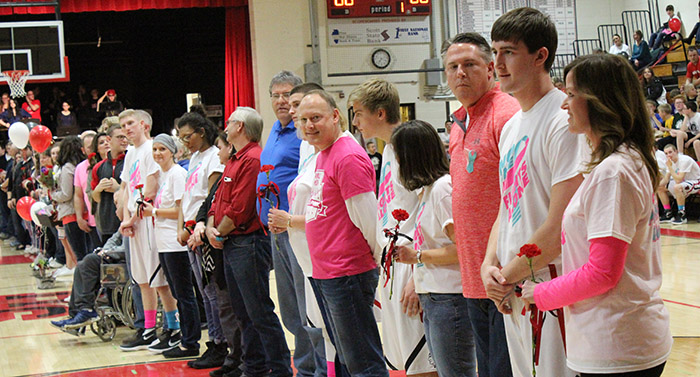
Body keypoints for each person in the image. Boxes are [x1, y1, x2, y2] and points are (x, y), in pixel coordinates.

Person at [520, 53, 672, 377]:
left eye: (572, 94)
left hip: (617, 347)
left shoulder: (613, 172)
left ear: (600, 101)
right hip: (618, 342)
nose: (564, 104)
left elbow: (603, 272)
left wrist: (541, 293)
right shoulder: (621, 162)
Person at [485, 7, 583, 377]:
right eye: (494, 52)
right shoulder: (511, 127)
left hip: (549, 284)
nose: (498, 63)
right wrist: (488, 266)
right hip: (514, 285)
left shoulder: (564, 121)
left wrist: (506, 276)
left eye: (508, 52)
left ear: (541, 56)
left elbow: (562, 226)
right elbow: (506, 206)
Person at [442, 31, 520, 377]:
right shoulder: (460, 121)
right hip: (474, 276)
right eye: (453, 66)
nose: (461, 72)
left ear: (491, 68)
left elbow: (518, 197)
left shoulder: (507, 114)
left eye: (470, 64)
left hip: (505, 275)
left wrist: (510, 267)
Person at [348, 78, 436, 377]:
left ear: (381, 113)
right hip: (393, 262)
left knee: (422, 359)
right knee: (407, 361)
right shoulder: (387, 150)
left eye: (359, 113)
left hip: (412, 263)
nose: (356, 121)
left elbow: (428, 210)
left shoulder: (408, 148)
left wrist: (416, 276)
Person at [299, 90, 387, 377]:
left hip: (347, 273)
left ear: (335, 116)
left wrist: (374, 266)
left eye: (316, 118)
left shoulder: (347, 156)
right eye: (304, 120)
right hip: (326, 273)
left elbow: (369, 221)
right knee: (348, 359)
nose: (309, 125)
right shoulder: (324, 153)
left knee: (363, 361)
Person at [267, 81, 350, 377]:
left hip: (323, 246)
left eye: (307, 111)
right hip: (293, 235)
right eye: (299, 113)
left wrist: (291, 220)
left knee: (327, 323)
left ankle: (317, 370)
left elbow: (345, 215)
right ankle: (309, 369)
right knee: (300, 314)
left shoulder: (341, 151)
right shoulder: (303, 143)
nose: (296, 112)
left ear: (332, 115)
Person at [207, 106, 292, 377]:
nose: (226, 125)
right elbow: (218, 199)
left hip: (247, 242)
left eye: (230, 122)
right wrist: (211, 226)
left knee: (259, 311)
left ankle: (279, 369)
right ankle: (254, 367)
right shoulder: (234, 158)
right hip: (233, 243)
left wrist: (218, 232)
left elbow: (241, 207)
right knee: (244, 312)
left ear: (241, 127)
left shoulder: (253, 158)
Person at [391, 120, 474, 377]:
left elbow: (463, 249)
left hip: (449, 298)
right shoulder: (428, 191)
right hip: (436, 297)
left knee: (456, 372)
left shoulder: (441, 189)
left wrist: (417, 256)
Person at [256, 70, 325, 377]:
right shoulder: (274, 131)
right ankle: (305, 366)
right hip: (277, 228)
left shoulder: (305, 136)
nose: (284, 102)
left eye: (289, 96)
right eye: (278, 96)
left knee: (306, 302)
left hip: (299, 228)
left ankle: (313, 368)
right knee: (289, 305)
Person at [118, 109, 179, 352]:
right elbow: (126, 190)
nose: (127, 128)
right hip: (134, 222)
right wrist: (125, 220)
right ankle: (149, 329)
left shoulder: (152, 149)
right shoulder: (130, 153)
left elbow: (150, 190)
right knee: (142, 279)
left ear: (143, 124)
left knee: (159, 279)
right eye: (123, 125)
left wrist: (132, 218)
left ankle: (173, 327)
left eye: (131, 123)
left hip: (150, 221)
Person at [138, 134, 199, 357]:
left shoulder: (177, 174)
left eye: (162, 149)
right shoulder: (162, 176)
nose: (157, 153)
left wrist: (153, 211)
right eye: (154, 149)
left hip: (176, 244)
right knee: (176, 292)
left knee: (184, 294)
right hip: (164, 243)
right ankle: (183, 336)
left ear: (173, 151)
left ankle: (190, 341)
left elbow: (182, 210)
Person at [175, 111, 228, 367]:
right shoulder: (194, 157)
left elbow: (211, 199)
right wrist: (181, 226)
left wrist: (193, 226)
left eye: (188, 136)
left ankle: (222, 344)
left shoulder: (213, 158)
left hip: (202, 231)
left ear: (202, 132)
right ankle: (215, 341)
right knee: (204, 293)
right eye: (181, 138)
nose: (186, 142)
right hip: (191, 231)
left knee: (213, 292)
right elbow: (187, 197)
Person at [657, 143, 700, 224]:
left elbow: (678, 180)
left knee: (677, 186)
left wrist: (670, 168)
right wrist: (655, 186)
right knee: (660, 188)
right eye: (666, 153)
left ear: (676, 151)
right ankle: (668, 213)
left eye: (670, 152)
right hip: (684, 182)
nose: (668, 155)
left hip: (696, 181)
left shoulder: (684, 160)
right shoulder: (670, 162)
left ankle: (681, 214)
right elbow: (666, 179)